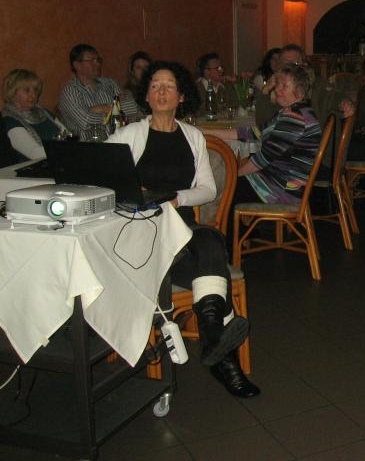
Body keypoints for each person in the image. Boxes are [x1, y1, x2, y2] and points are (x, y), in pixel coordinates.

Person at [106, 61, 260, 398]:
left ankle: (212, 338)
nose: (161, 91)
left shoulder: (193, 137)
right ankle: (221, 353)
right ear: (147, 96)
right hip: (144, 233)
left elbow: (207, 189)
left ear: (181, 96)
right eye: (155, 86)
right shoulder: (129, 135)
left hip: (182, 227)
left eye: (169, 86)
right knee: (211, 258)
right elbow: (104, 175)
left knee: (208, 238)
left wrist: (176, 199)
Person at [233, 64, 322, 214]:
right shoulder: (297, 111)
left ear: (300, 92)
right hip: (279, 181)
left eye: (284, 86)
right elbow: (253, 133)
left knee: (223, 186)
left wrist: (233, 175)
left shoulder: (295, 118)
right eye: (278, 84)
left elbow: (261, 160)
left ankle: (219, 228)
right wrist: (205, 131)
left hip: (282, 190)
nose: (277, 90)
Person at [58, 43, 139, 134]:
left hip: (118, 139)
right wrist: (116, 108)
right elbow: (87, 122)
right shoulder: (70, 91)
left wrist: (100, 108)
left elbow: (132, 108)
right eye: (92, 60)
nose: (97, 64)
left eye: (98, 60)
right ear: (77, 65)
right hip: (90, 142)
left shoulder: (110, 83)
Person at [2, 69, 66, 161]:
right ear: (12, 92)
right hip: (36, 167)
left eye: (35, 90)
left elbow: (68, 136)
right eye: (26, 90)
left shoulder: (44, 112)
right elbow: (36, 154)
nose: (33, 95)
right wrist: (67, 149)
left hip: (61, 161)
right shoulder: (9, 121)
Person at [195, 52, 238, 117]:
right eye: (217, 68)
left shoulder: (227, 86)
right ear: (206, 71)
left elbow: (236, 106)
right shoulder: (195, 89)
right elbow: (197, 112)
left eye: (221, 67)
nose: (221, 70)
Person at [124, 51, 152, 121]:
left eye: (146, 67)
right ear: (132, 71)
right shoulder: (127, 93)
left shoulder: (157, 89)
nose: (143, 70)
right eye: (138, 67)